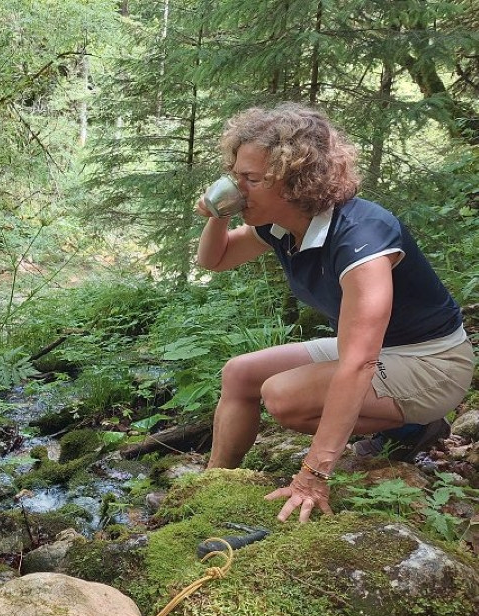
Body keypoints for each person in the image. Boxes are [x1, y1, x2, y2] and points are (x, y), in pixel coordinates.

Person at [194, 102, 475, 524]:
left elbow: (359, 361)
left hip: (431, 360)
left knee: (283, 397)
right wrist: (218, 213)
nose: (237, 188)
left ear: (293, 183)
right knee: (240, 373)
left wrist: (312, 474)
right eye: (234, 176)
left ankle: (408, 427)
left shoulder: (362, 236)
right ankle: (213, 483)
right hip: (378, 352)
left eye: (250, 179)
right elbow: (214, 260)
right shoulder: (278, 224)